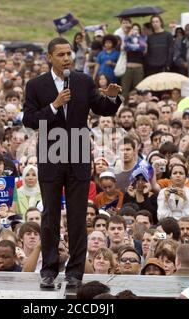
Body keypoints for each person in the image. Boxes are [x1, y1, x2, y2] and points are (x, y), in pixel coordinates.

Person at [22, 37, 122, 289]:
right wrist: (54, 106)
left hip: (77, 153)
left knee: (78, 216)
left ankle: (75, 271)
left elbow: (102, 108)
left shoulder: (83, 81)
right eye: (61, 54)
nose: (67, 58)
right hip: (50, 154)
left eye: (69, 54)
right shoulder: (36, 85)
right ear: (50, 57)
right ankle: (49, 269)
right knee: (50, 216)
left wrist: (110, 98)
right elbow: (30, 120)